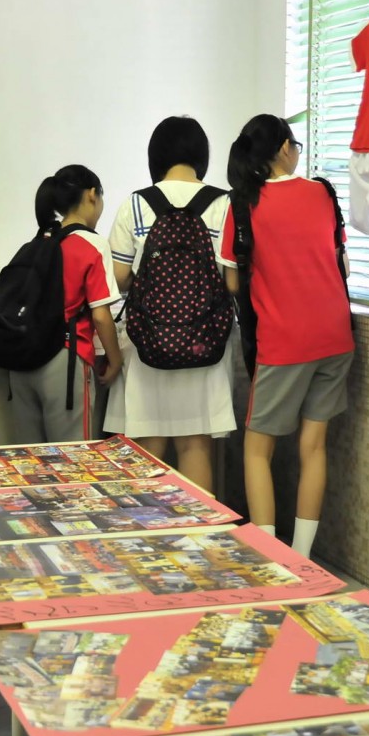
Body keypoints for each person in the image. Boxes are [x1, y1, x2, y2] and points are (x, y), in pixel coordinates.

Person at [219, 115, 354, 558]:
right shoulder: (323, 192)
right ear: (282, 148)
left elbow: (233, 281)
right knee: (313, 446)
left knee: (258, 450)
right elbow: (342, 262)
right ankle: (302, 557)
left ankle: (270, 558)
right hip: (335, 337)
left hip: (284, 342)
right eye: (295, 144)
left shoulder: (243, 205)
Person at [105, 116, 235, 491]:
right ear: (201, 155)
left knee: (149, 448)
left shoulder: (136, 205)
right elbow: (232, 277)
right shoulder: (224, 204)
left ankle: (152, 525)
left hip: (149, 342)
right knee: (195, 445)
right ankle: (201, 526)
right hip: (205, 342)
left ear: (156, 155)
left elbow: (118, 277)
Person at [7, 165, 123, 442]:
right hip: (64, 361)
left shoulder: (39, 242)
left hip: (21, 360)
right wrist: (115, 359)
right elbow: (101, 316)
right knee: (73, 459)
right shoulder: (92, 244)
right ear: (92, 195)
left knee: (32, 459)